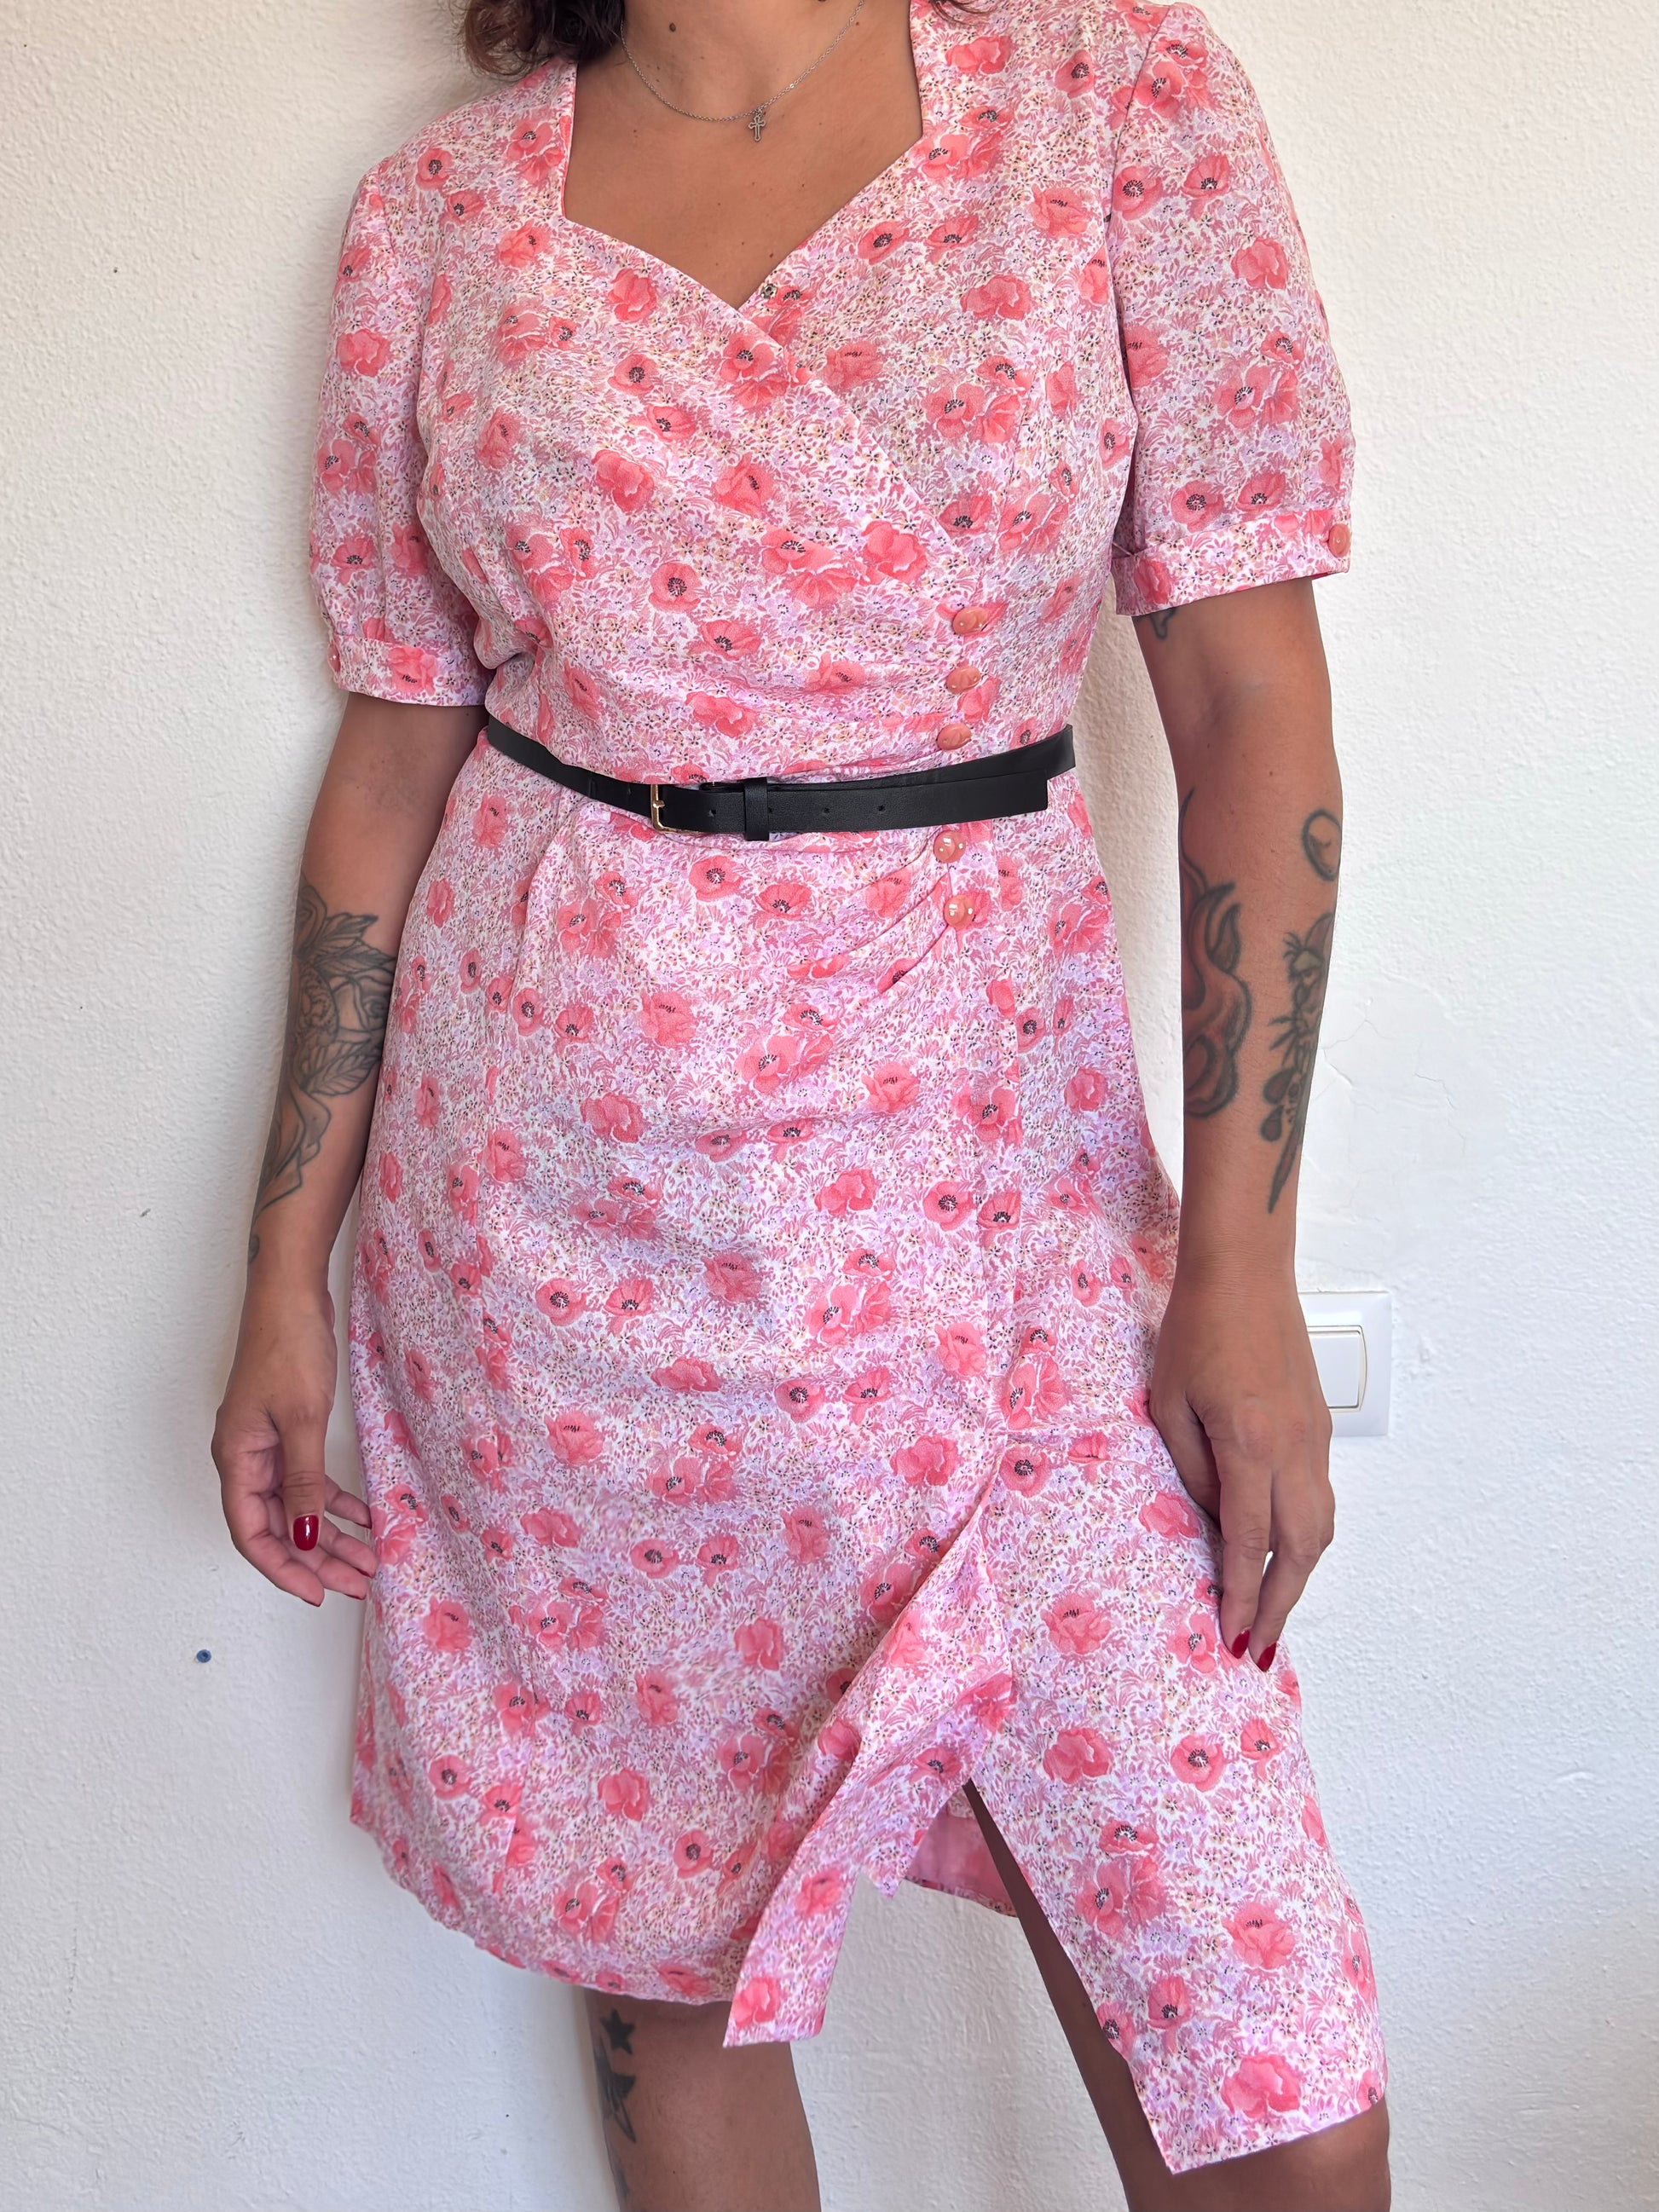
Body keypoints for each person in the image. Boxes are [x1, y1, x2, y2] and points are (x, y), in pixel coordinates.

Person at [213, 0, 1390, 2203]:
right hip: (563, 1220)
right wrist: (286, 1264)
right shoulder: (444, 217)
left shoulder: (1109, 101)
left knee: (1272, 2091)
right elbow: (391, 764)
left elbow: (1249, 703)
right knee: (671, 1956)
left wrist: (1237, 1267)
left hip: (1000, 1202)